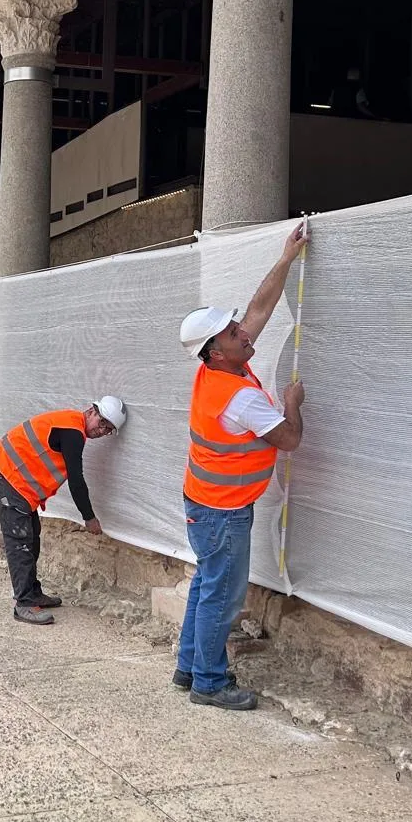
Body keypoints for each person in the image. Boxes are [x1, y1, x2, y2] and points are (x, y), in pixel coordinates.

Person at [175, 224, 308, 709]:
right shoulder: (241, 397)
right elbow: (289, 439)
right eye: (233, 333)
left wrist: (286, 259)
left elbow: (258, 308)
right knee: (223, 597)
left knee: (207, 585)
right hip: (223, 511)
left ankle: (189, 668)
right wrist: (293, 402)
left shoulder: (219, 367)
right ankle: (209, 683)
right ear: (216, 350)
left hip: (205, 502)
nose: (243, 332)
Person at [0, 397, 127, 625]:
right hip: (7, 474)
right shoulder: (72, 431)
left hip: (16, 481)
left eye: (108, 430)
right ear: (91, 411)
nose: (102, 431)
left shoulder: (70, 425)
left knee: (31, 537)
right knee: (20, 541)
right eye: (102, 423)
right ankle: (24, 604)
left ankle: (32, 593)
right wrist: (89, 517)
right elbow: (76, 480)